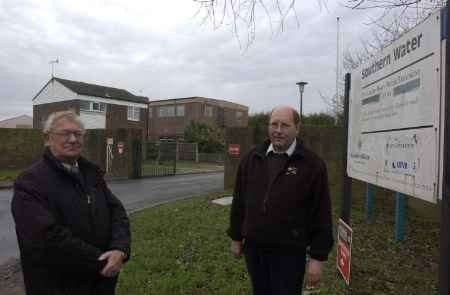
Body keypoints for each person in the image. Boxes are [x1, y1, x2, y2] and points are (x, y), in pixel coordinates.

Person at [11, 111, 131, 295]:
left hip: (101, 284)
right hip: (57, 286)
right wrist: (102, 260)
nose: (73, 139)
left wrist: (119, 249)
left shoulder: (91, 174)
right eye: (65, 133)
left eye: (78, 133)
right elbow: (46, 238)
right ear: (47, 138)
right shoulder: (30, 182)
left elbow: (118, 213)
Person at [228, 105, 333, 295]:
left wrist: (317, 258)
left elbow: (321, 213)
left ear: (297, 128)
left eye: (285, 125)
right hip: (254, 249)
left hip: (290, 253)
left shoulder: (312, 165)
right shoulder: (251, 159)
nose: (278, 130)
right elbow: (239, 202)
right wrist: (236, 237)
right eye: (274, 124)